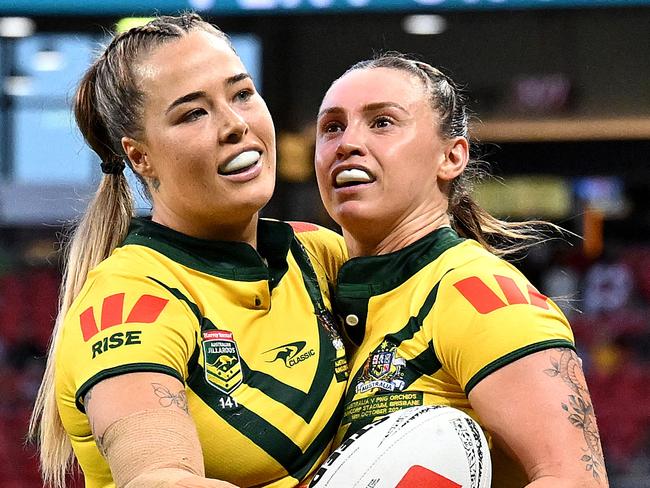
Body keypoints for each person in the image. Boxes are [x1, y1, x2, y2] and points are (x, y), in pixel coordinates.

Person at [29, 13, 349, 488]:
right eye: (193, 113)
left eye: (242, 93)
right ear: (140, 156)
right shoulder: (128, 301)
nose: (236, 124)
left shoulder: (321, 255)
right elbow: (156, 480)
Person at [314, 52, 609, 487]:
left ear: (451, 157)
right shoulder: (314, 287)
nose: (347, 143)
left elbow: (577, 481)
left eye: (382, 123)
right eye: (332, 127)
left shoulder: (483, 294)